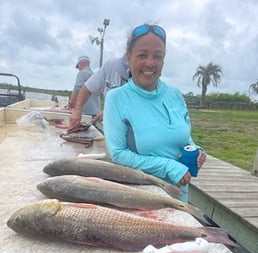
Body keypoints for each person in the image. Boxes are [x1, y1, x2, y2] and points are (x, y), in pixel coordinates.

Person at [103, 24, 206, 202]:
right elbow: (118, 154)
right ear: (129, 57)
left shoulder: (175, 94)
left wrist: (196, 150)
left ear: (163, 60)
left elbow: (184, 136)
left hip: (179, 195)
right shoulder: (116, 98)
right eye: (142, 55)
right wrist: (168, 167)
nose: (150, 63)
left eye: (157, 56)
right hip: (140, 196)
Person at [69, 54, 130, 128]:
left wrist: (72, 105)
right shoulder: (109, 66)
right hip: (98, 113)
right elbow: (87, 88)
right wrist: (77, 110)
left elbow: (77, 88)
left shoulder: (82, 73)